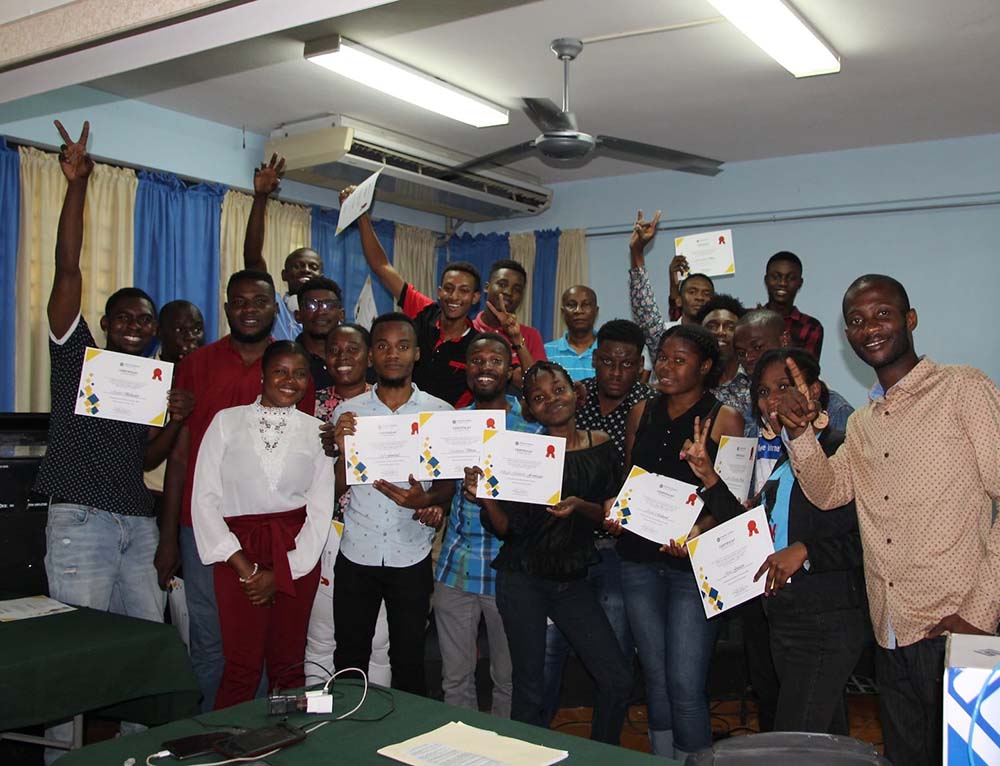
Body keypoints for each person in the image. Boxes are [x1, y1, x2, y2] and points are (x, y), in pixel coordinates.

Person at [775, 274, 1000, 766]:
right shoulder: (862, 423)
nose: (869, 328)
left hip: (958, 625)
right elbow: (828, 493)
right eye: (856, 320)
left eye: (882, 314)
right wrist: (800, 434)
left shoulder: (963, 388)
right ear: (847, 336)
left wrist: (981, 615)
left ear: (910, 319)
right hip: (890, 630)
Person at [34, 119, 194, 758]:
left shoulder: (150, 379)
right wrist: (77, 185)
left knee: (140, 652)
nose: (135, 324)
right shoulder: (78, 357)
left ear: (154, 332)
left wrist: (173, 419)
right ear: (103, 321)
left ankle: (133, 754)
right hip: (82, 522)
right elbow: (66, 268)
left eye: (145, 320)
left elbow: (144, 459)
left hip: (137, 525)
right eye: (124, 316)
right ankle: (61, 756)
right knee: (75, 654)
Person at [687, 349, 866, 734]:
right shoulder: (783, 463)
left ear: (813, 390)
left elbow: (866, 539)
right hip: (783, 616)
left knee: (795, 738)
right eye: (764, 392)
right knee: (823, 740)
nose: (772, 400)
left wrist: (806, 551)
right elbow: (751, 533)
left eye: (783, 387)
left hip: (826, 619)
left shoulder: (842, 450)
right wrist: (710, 478)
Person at [159, 268, 315, 712]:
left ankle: (259, 731)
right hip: (202, 525)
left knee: (264, 642)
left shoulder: (290, 367)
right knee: (211, 639)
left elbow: (304, 452)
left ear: (274, 308)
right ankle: (213, 728)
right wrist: (168, 537)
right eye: (240, 302)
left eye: (260, 302)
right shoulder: (196, 365)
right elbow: (180, 457)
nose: (250, 310)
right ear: (227, 308)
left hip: (272, 529)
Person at [468, 361, 632, 744]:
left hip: (573, 581)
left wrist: (580, 506)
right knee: (529, 689)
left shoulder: (603, 445)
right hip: (522, 579)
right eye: (539, 398)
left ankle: (602, 754)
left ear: (575, 392)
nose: (552, 400)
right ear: (529, 408)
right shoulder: (521, 452)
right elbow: (506, 529)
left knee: (617, 678)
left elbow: (611, 514)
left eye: (558, 390)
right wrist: (485, 497)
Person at [612, 323, 744, 761]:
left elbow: (734, 500)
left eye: (678, 360)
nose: (665, 367)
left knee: (685, 683)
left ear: (704, 366)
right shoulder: (641, 412)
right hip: (638, 560)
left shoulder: (725, 419)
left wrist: (700, 529)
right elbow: (631, 478)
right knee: (655, 677)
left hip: (694, 569)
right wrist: (618, 506)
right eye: (662, 358)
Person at [191, 341, 334, 709]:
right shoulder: (226, 422)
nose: (289, 380)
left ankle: (291, 738)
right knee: (242, 666)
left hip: (295, 553)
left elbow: (320, 510)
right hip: (237, 554)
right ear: (263, 375)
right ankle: (229, 739)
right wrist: (247, 569)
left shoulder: (318, 431)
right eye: (280, 371)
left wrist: (285, 570)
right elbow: (204, 499)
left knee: (289, 663)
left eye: (299, 374)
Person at [330, 313, 454, 695]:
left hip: (411, 553)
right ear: (371, 356)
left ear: (417, 353)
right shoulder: (348, 413)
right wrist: (343, 449)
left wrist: (426, 500)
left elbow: (447, 486)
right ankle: (349, 725)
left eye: (403, 346)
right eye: (383, 346)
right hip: (357, 550)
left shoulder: (440, 412)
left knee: (410, 661)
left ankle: (410, 731)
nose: (393, 354)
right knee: (348, 658)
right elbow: (333, 489)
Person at [541, 319, 654, 721]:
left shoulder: (650, 406)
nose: (616, 372)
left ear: (639, 365)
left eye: (626, 364)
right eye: (607, 362)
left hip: (616, 547)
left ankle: (607, 740)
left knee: (615, 650)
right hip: (565, 541)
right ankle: (538, 736)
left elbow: (641, 476)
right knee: (550, 651)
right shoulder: (576, 398)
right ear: (595, 360)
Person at [434, 333, 542, 718]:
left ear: (508, 370)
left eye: (495, 361)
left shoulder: (533, 431)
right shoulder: (451, 425)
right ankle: (456, 744)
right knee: (454, 679)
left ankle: (501, 745)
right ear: (467, 370)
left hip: (510, 573)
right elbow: (441, 490)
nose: (485, 368)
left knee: (508, 680)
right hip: (456, 568)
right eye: (477, 360)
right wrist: (426, 502)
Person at [306, 323, 392, 687]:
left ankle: (377, 712)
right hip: (323, 531)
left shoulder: (389, 405)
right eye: (334, 350)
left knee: (379, 638)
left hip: (377, 532)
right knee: (321, 635)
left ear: (370, 356)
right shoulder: (309, 405)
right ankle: (325, 711)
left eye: (353, 349)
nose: (342, 358)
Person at [344, 183, 481, 406]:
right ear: (439, 292)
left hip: (446, 421)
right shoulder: (424, 311)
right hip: (397, 413)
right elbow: (381, 267)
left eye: (464, 291)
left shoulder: (477, 344)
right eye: (448, 288)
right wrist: (361, 216)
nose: (454, 296)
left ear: (475, 298)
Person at [242, 154, 325, 341]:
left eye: (313, 267)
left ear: (322, 276)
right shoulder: (274, 307)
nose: (305, 270)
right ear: (284, 275)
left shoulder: (329, 317)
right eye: (298, 266)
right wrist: (261, 197)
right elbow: (253, 259)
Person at [628, 209, 715, 357]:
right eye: (692, 292)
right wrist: (637, 251)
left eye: (706, 294)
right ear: (678, 300)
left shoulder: (720, 339)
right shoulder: (666, 336)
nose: (700, 297)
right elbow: (645, 308)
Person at [145, 300, 206, 497]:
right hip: (152, 492)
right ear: (159, 332)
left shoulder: (212, 376)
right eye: (180, 330)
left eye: (197, 329)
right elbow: (146, 458)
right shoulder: (143, 376)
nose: (190, 337)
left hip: (200, 493)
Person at [471, 259, 547, 387]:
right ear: (487, 287)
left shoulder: (531, 335)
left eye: (517, 289)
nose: (508, 292)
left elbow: (538, 385)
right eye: (502, 284)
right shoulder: (468, 328)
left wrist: (516, 339)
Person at [697, 294, 751, 433]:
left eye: (730, 327)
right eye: (712, 326)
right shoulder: (691, 379)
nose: (720, 332)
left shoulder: (754, 380)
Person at [762, 251, 823, 360]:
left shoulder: (811, 327)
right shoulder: (748, 321)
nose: (782, 283)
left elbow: (809, 368)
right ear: (766, 280)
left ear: (800, 283)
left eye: (790, 278)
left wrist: (791, 351)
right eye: (776, 277)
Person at [294, 276, 345, 390]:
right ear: (297, 315)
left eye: (329, 305)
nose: (321, 311)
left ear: (341, 315)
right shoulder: (288, 359)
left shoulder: (355, 359)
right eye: (311, 305)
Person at [543, 285, 600, 381]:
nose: (578, 311)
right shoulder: (545, 352)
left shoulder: (607, 352)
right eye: (571, 305)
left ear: (596, 311)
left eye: (586, 305)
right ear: (563, 312)